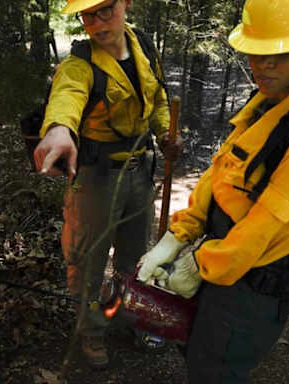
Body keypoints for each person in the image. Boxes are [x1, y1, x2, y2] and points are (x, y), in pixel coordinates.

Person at [137, 0, 289, 382]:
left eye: (282, 53)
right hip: (225, 269)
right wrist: (180, 234)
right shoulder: (269, 103)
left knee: (216, 370)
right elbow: (223, 173)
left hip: (251, 291)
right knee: (199, 353)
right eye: (257, 53)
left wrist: (199, 263)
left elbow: (264, 230)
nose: (263, 66)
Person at [33, 0, 179, 369]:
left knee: (134, 256)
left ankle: (130, 318)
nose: (96, 22)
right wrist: (59, 129)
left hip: (139, 172)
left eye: (105, 10)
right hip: (96, 178)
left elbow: (158, 96)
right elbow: (66, 97)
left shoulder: (144, 45)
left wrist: (165, 133)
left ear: (126, 3)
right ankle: (92, 332)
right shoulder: (80, 63)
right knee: (88, 261)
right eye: (87, 14)